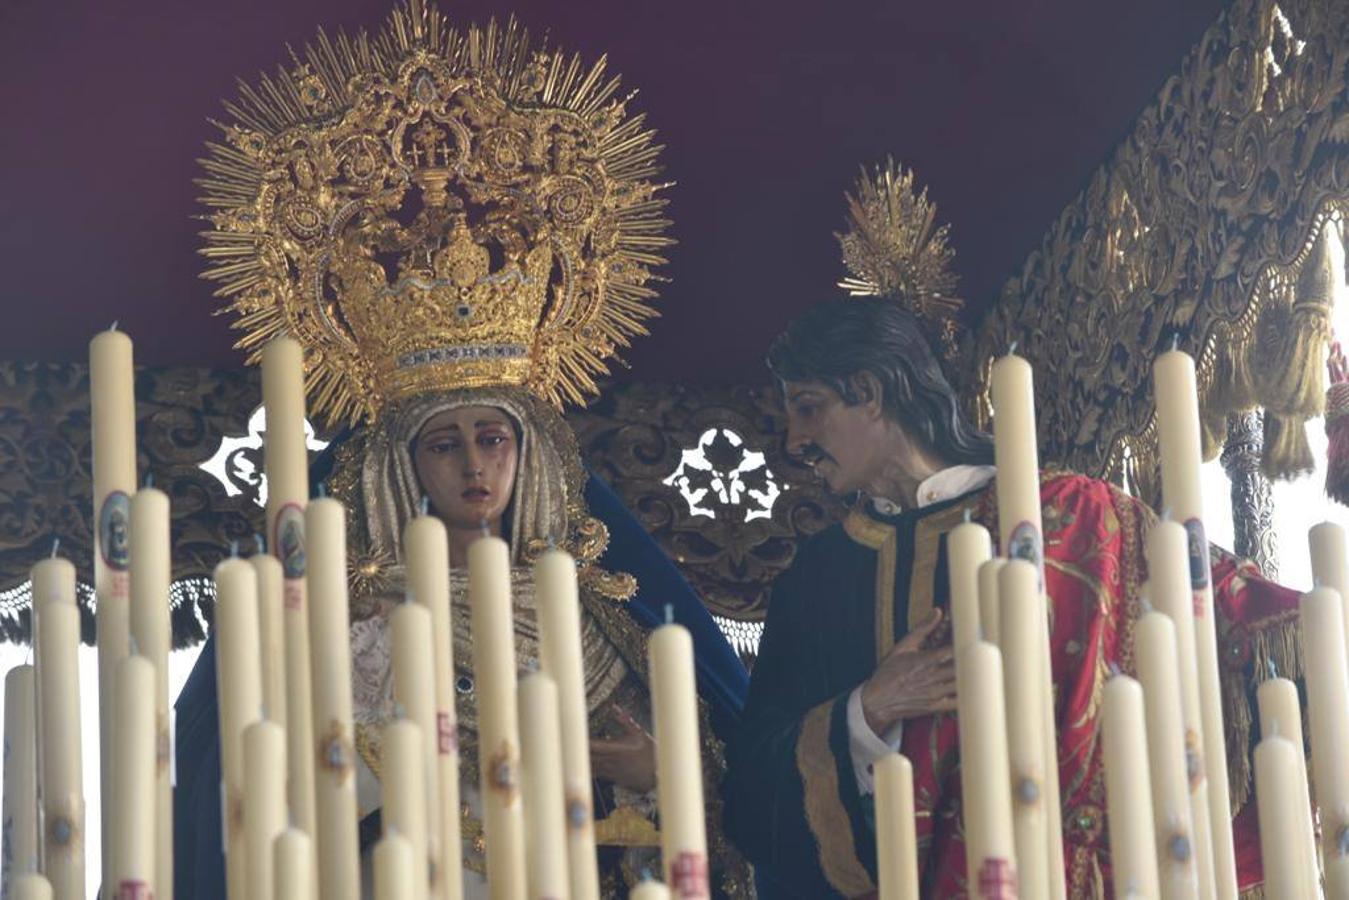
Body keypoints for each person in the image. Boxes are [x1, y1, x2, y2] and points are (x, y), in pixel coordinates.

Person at [176, 6, 753, 896]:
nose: (473, 465)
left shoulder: (599, 616)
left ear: (532, 453)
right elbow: (301, 791)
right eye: (444, 445)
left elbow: (699, 787)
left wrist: (658, 778)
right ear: (403, 467)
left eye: (493, 438)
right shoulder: (361, 621)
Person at [722, 296, 1303, 897]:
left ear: (869, 391)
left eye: (809, 408)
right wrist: (867, 710)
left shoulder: (1074, 516)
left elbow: (1242, 623)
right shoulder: (814, 580)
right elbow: (749, 795)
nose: (796, 440)